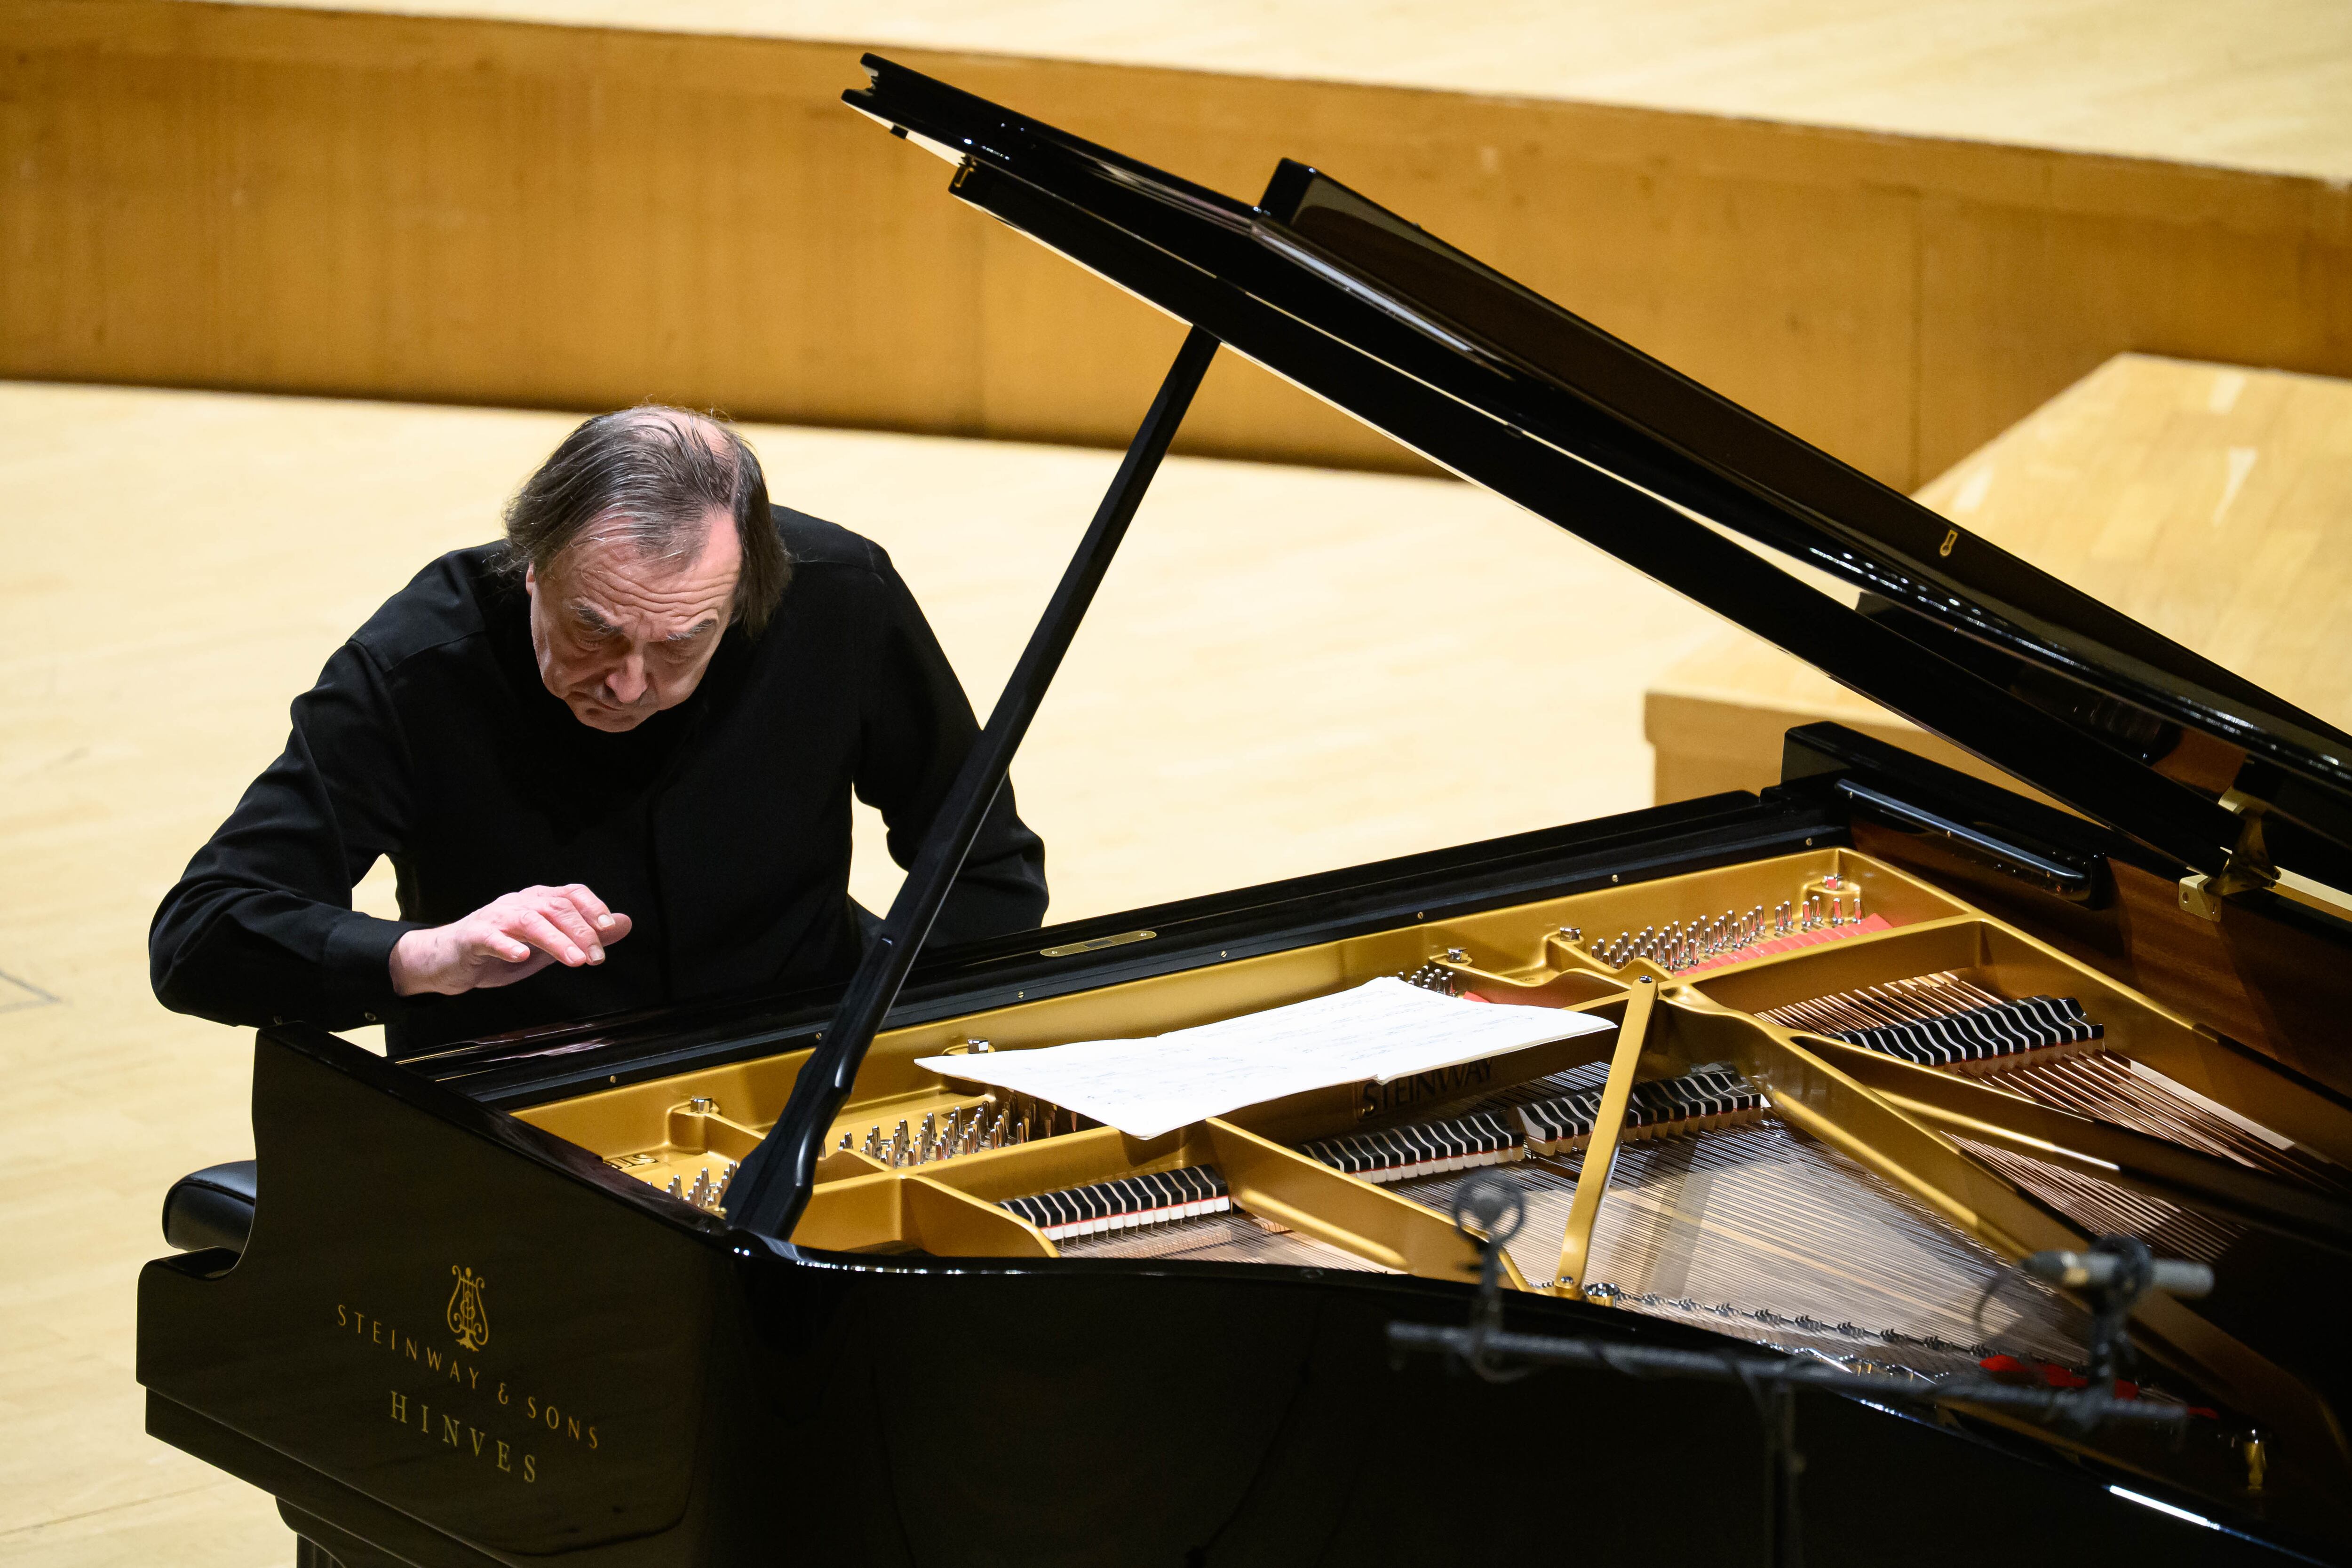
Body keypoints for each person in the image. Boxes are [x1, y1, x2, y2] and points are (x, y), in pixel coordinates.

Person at [150, 407, 1047, 1057]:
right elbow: (201, 934)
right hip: (519, 1099)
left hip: (793, 1061)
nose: (629, 684)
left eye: (682, 641)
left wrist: (888, 1041)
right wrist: (424, 956)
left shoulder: (839, 598)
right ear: (531, 565)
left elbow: (985, 863)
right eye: (595, 630)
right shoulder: (420, 664)